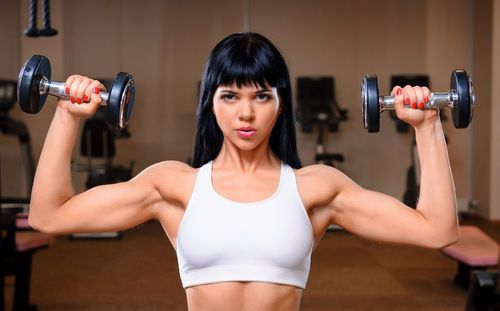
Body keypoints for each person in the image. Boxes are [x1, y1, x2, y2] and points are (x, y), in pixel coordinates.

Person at [28, 32, 458, 311]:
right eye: (230, 96)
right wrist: (67, 115)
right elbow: (50, 216)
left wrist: (428, 125)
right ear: (210, 103)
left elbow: (436, 230)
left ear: (282, 103)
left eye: (262, 96)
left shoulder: (317, 188)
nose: (246, 113)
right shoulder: (172, 185)